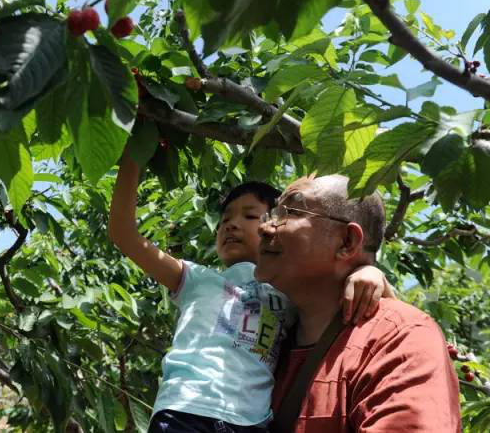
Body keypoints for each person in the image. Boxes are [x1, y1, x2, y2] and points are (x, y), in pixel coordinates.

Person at [108, 151, 393, 432]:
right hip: (187, 412)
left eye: (250, 215)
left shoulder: (290, 294)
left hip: (253, 424)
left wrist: (369, 272)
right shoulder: (197, 280)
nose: (231, 224)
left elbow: (344, 295)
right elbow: (124, 234)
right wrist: (134, 154)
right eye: (224, 219)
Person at [256, 174, 461, 432]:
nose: (265, 228)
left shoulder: (400, 338)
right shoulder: (261, 336)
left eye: (291, 212)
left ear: (347, 242)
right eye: (272, 214)